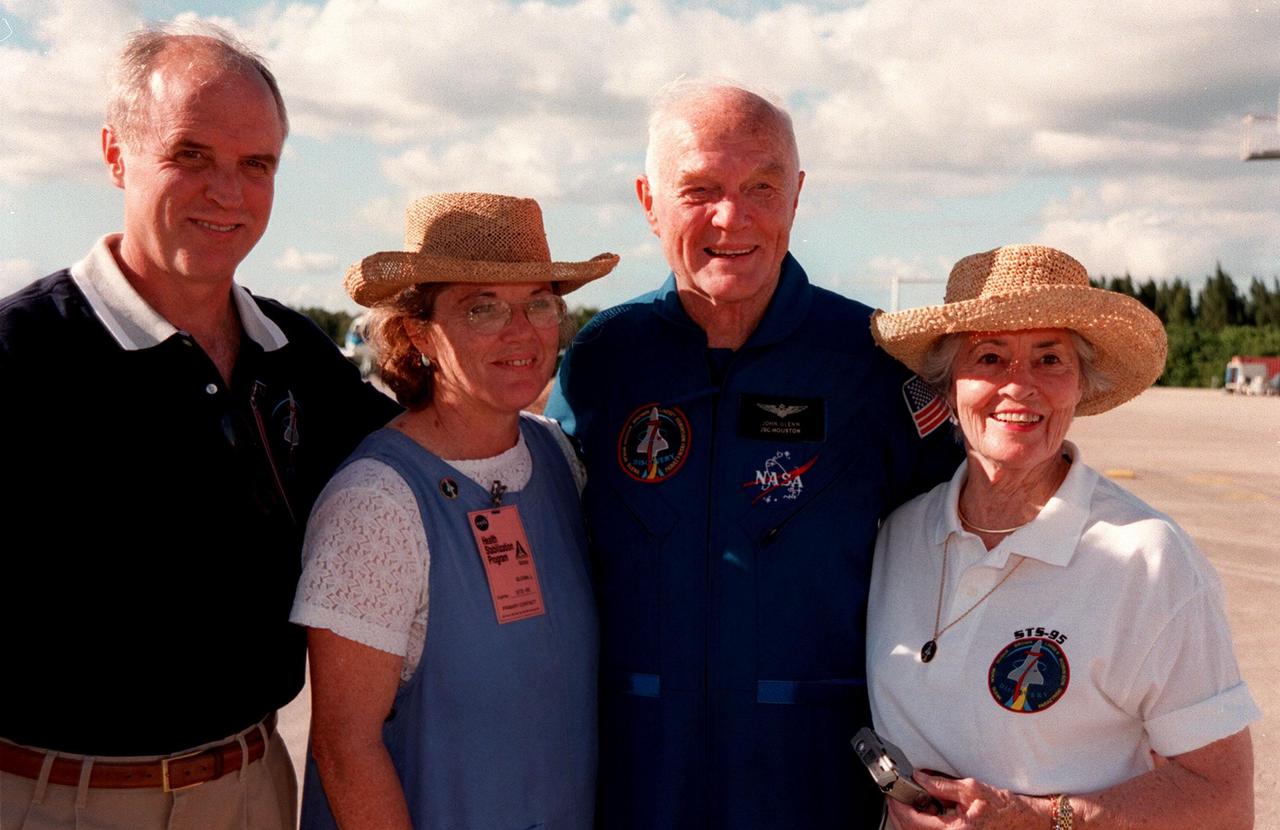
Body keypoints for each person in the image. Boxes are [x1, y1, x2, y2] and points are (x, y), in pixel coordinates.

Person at [0, 24, 397, 830]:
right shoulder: (18, 354)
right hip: (56, 802)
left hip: (257, 787)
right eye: (191, 155)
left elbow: (417, 460)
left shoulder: (294, 355)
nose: (229, 192)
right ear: (116, 155)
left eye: (257, 165)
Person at [544, 80, 963, 829]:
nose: (730, 218)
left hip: (812, 780)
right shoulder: (606, 360)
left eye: (760, 187)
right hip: (635, 776)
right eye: (698, 190)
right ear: (648, 201)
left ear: (796, 195)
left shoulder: (869, 361)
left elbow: (961, 546)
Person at [866, 245, 1259, 830]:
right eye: (990, 356)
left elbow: (1224, 802)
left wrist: (1041, 818)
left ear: (1080, 387)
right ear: (948, 389)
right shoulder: (898, 537)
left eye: (1049, 360)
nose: (1019, 386)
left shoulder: (1147, 557)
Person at [292, 192, 618, 830]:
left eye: (539, 303)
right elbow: (345, 748)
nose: (520, 331)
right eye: (483, 307)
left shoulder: (556, 457)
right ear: (417, 332)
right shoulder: (375, 505)